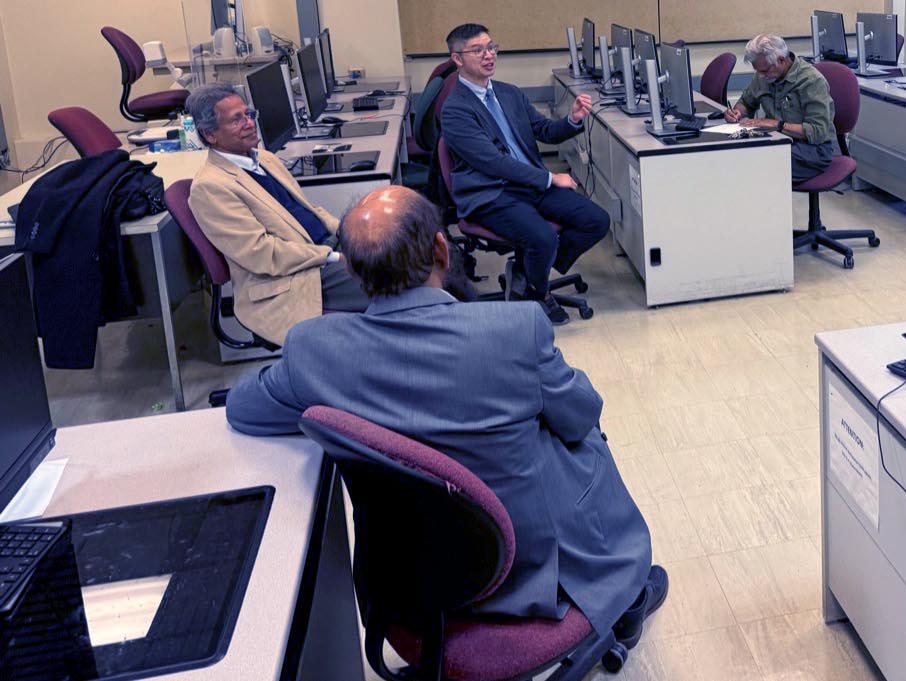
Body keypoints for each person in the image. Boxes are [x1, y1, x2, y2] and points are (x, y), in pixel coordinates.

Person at [224, 185, 667, 642]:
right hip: (525, 568)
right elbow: (579, 416)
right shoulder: (514, 330)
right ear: (442, 248)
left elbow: (242, 409)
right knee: (587, 438)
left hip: (407, 576)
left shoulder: (313, 350)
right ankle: (623, 590)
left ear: (353, 271)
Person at [441, 22, 609, 326]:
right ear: (457, 59)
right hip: (491, 192)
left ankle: (533, 268)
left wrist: (571, 120)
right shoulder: (455, 110)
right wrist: (549, 178)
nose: (489, 55)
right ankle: (537, 292)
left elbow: (544, 130)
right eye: (478, 50)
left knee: (596, 221)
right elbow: (493, 163)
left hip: (528, 185)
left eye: (491, 47)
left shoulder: (509, 93)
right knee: (542, 237)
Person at [186, 82, 371, 345]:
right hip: (294, 276)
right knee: (395, 281)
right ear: (210, 135)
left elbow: (310, 210)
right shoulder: (210, 187)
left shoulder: (264, 158)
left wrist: (349, 230)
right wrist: (333, 256)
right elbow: (262, 253)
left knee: (406, 251)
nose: (249, 123)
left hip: (323, 250)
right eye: (236, 120)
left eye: (249, 114)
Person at [724, 34, 837, 183]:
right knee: (737, 156)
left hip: (814, 149)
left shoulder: (811, 81)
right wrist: (737, 112)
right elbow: (746, 102)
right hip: (779, 140)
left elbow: (818, 131)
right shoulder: (764, 75)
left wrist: (776, 124)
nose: (761, 76)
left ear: (781, 60)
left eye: (764, 71)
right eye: (757, 71)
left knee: (756, 167)